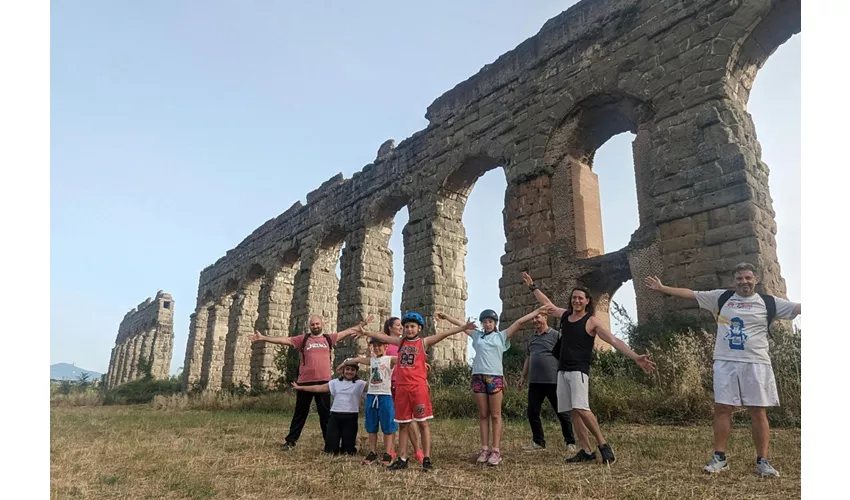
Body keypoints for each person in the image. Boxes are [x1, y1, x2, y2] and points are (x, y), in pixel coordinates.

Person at [644, 262, 801, 477]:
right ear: (733, 281)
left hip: (757, 362)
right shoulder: (721, 298)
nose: (744, 282)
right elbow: (691, 294)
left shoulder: (768, 302)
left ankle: (762, 461)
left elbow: (797, 308)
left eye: (748, 278)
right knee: (723, 408)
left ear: (756, 279)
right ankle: (720, 457)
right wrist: (663, 288)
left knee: (758, 411)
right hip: (725, 361)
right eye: (739, 278)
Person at [521, 272, 656, 465]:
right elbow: (548, 305)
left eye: (580, 298)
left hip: (578, 371)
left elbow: (613, 340)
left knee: (582, 409)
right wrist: (532, 286)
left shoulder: (591, 321)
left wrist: (635, 357)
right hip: (562, 371)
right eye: (574, 298)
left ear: (586, 302)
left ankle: (604, 446)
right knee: (574, 412)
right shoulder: (566, 316)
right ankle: (585, 450)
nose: (576, 300)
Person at [360, 311, 475, 471]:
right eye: (406, 326)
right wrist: (366, 332)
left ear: (419, 328)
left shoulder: (423, 342)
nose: (409, 329)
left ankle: (426, 458)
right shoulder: (400, 342)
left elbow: (444, 334)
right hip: (401, 388)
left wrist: (463, 327)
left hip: (417, 388)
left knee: (423, 423)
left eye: (412, 326)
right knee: (404, 424)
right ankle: (402, 458)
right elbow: (384, 338)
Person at [439, 305, 552, 466]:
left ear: (495, 323)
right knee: (483, 414)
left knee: (496, 414)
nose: (487, 324)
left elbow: (519, 322)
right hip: (478, 376)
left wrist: (537, 312)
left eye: (490, 322)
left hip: (494, 377)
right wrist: (447, 316)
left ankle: (496, 450)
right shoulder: (477, 336)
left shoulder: (501, 336)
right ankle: (484, 449)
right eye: (484, 322)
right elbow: (461, 325)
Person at [247, 315, 370, 450]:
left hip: (324, 381)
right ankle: (290, 441)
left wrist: (362, 324)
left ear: (322, 324)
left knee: (325, 414)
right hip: (304, 382)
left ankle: (329, 442)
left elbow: (347, 332)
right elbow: (285, 340)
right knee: (300, 413)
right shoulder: (303, 339)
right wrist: (263, 338)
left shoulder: (329, 338)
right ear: (309, 326)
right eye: (313, 325)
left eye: (317, 324)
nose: (315, 326)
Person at [516, 303, 577, 453]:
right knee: (532, 412)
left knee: (562, 412)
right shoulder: (531, 338)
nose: (535, 320)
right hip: (535, 382)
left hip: (554, 381)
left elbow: (565, 354)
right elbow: (529, 358)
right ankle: (538, 442)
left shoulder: (555, 335)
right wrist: (523, 377)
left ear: (545, 318)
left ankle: (570, 442)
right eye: (533, 318)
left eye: (537, 317)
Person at [338, 337, 398, 465]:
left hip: (384, 395)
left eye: (379, 345)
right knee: (371, 426)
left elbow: (403, 360)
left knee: (387, 426)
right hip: (372, 395)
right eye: (374, 346)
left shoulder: (389, 359)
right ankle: (372, 452)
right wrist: (344, 364)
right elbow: (358, 359)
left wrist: (421, 363)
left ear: (386, 346)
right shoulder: (372, 360)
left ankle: (387, 453)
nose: (377, 348)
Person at [292, 364, 367, 455]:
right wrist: (301, 387)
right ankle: (335, 444)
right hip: (335, 417)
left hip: (350, 417)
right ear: (343, 371)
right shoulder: (335, 382)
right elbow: (318, 388)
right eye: (347, 369)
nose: (349, 372)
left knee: (348, 453)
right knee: (330, 451)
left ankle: (357, 444)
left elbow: (372, 390)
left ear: (356, 372)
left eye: (352, 370)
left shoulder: (360, 384)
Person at [382, 317, 425, 463]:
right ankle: (392, 450)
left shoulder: (406, 343)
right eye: (398, 325)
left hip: (405, 384)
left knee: (410, 419)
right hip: (388, 384)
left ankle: (418, 449)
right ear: (390, 328)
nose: (401, 328)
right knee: (393, 418)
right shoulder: (384, 344)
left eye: (403, 326)